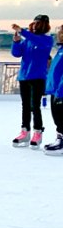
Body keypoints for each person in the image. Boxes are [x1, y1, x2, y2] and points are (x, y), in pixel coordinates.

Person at [11, 14, 53, 148]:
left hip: (38, 77)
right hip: (24, 76)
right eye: (34, 23)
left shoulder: (47, 40)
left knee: (35, 106)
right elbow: (17, 53)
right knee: (25, 106)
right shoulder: (27, 40)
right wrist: (16, 42)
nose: (35, 25)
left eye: (38, 23)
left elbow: (36, 40)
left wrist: (22, 32)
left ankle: (38, 132)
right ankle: (25, 131)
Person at [45, 24, 63, 155]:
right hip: (55, 89)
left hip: (60, 92)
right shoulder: (60, 50)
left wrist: (60, 92)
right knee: (57, 117)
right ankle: (59, 138)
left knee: (61, 117)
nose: (59, 34)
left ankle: (61, 141)